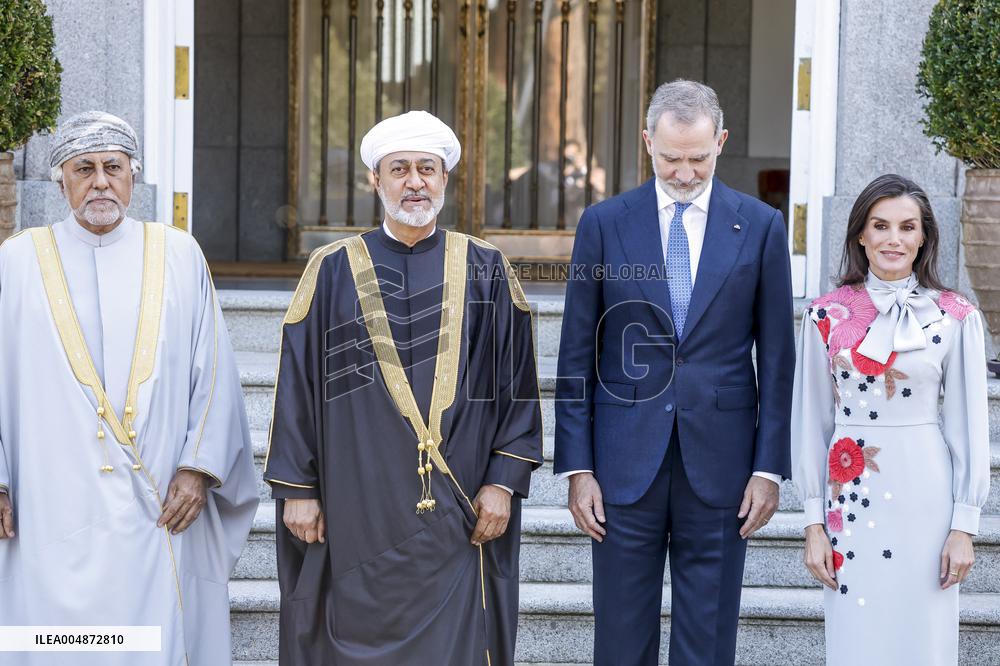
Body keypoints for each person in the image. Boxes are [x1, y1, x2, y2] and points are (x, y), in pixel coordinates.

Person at [263, 110, 543, 665]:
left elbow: (518, 387)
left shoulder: (487, 269)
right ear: (376, 180)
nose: (414, 182)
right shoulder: (332, 269)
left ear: (445, 179)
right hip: (354, 506)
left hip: (458, 510)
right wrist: (298, 488)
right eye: (400, 169)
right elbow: (295, 388)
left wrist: (504, 482)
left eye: (427, 169)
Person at [0, 111, 258, 665]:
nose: (100, 182)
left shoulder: (178, 254)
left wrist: (198, 466)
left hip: (157, 499)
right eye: (84, 168)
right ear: (60, 179)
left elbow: (211, 369)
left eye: (113, 168)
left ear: (133, 177)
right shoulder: (16, 261)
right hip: (47, 504)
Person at [554, 79, 795, 664]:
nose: (685, 174)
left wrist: (769, 468)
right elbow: (575, 353)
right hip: (621, 463)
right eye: (670, 159)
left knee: (708, 641)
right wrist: (577, 467)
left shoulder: (761, 225)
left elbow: (779, 358)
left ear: (721, 142)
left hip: (723, 465)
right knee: (619, 638)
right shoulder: (604, 223)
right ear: (646, 144)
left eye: (698, 158)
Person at [792, 174, 990, 664]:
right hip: (851, 499)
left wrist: (964, 524)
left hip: (927, 498)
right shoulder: (824, 316)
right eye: (881, 226)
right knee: (856, 633)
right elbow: (811, 423)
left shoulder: (957, 316)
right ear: (861, 234)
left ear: (923, 236)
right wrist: (814, 522)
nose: (894, 239)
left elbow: (969, 427)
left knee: (924, 637)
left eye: (907, 227)